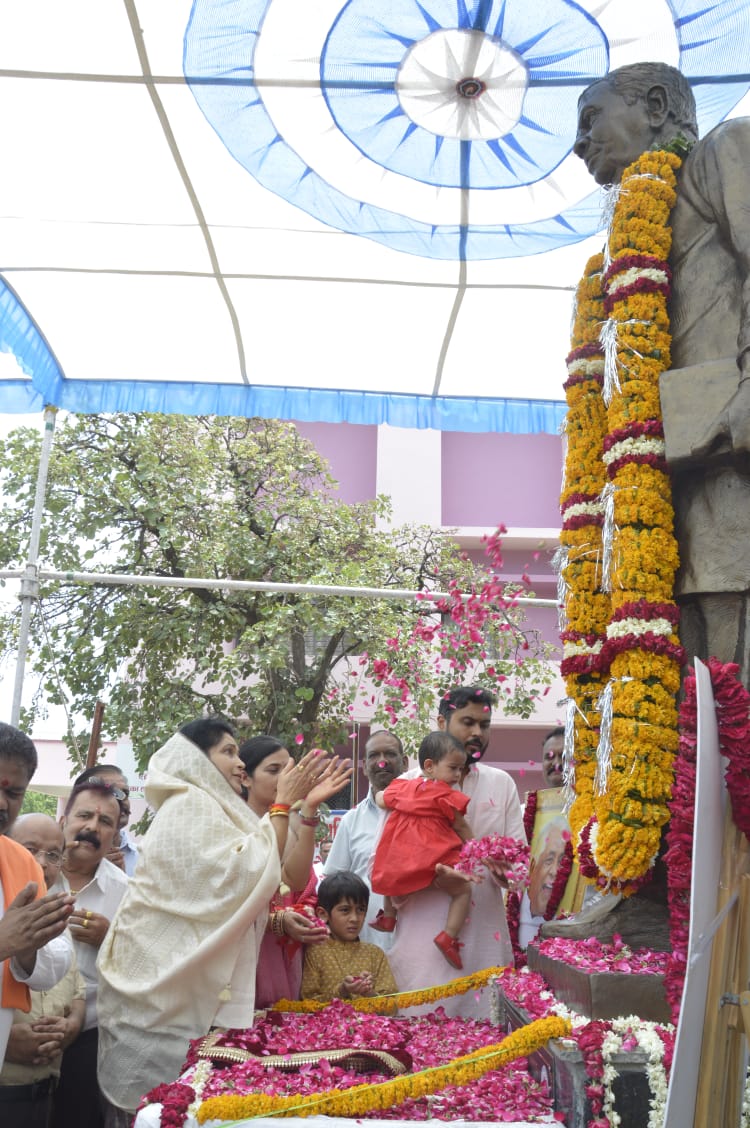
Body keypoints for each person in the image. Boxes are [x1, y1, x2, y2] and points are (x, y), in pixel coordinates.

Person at [573, 61, 750, 686]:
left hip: (732, 455)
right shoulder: (615, 255)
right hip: (662, 483)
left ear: (654, 106)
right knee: (678, 683)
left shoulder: (725, 150)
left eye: (591, 119)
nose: (579, 144)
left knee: (731, 657)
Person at [96, 717, 333, 1122]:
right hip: (156, 989)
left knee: (176, 1110)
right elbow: (244, 876)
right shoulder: (189, 805)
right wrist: (282, 805)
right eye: (228, 752)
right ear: (197, 759)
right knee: (150, 1114)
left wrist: (299, 809)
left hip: (182, 987)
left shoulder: (217, 810)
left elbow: (274, 873)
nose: (239, 763)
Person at [387, 687, 525, 1017]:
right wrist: (434, 880)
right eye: (467, 722)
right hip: (421, 952)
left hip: (484, 950)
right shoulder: (406, 786)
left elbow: (520, 872)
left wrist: (506, 872)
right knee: (420, 1036)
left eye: (484, 725)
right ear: (441, 722)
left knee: (490, 1039)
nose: (478, 732)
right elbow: (388, 867)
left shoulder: (501, 783)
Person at [239, 735, 352, 1007]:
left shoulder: (288, 821)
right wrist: (277, 920)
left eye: (287, 770)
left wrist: (310, 809)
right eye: (273, 770)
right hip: (244, 945)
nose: (285, 779)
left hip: (280, 947)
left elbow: (295, 880)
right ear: (245, 778)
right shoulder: (234, 823)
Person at [1, 815, 86, 1128]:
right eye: (29, 849)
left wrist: (71, 1027)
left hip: (44, 1091)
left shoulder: (56, 917)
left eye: (53, 854)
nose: (41, 863)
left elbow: (78, 993)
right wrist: (4, 1043)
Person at [55, 777, 129, 1128]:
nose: (92, 827)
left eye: (105, 822)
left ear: (114, 836)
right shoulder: (29, 874)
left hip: (89, 1041)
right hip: (17, 1032)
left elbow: (142, 968)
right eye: (84, 816)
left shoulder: (126, 892)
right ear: (63, 821)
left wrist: (109, 939)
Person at [0, 724, 73, 1074]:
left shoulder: (22, 862)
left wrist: (27, 950)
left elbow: (55, 961)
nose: (2, 803)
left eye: (13, 793)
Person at [369, 731, 472, 969]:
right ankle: (449, 936)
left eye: (460, 769)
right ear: (429, 766)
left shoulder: (402, 787)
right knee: (463, 890)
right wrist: (479, 851)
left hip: (401, 859)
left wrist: (383, 794)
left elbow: (381, 800)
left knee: (387, 875)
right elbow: (461, 826)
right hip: (435, 860)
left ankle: (389, 917)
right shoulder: (447, 796)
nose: (458, 775)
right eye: (453, 768)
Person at [323, 730, 408, 949]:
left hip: (416, 944)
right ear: (364, 765)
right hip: (366, 946)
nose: (382, 761)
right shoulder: (351, 821)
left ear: (405, 762)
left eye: (390, 754)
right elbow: (334, 884)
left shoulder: (426, 815)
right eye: (374, 755)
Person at [300, 872, 398, 1003]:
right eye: (345, 910)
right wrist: (342, 991)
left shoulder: (375, 954)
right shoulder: (315, 951)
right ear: (323, 914)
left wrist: (369, 993)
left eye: (360, 910)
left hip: (370, 1017)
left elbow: (392, 1006)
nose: (354, 918)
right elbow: (307, 1003)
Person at [73, 765, 138, 876]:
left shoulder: (145, 859)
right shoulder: (59, 855)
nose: (122, 801)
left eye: (125, 794)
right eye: (112, 793)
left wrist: (120, 880)